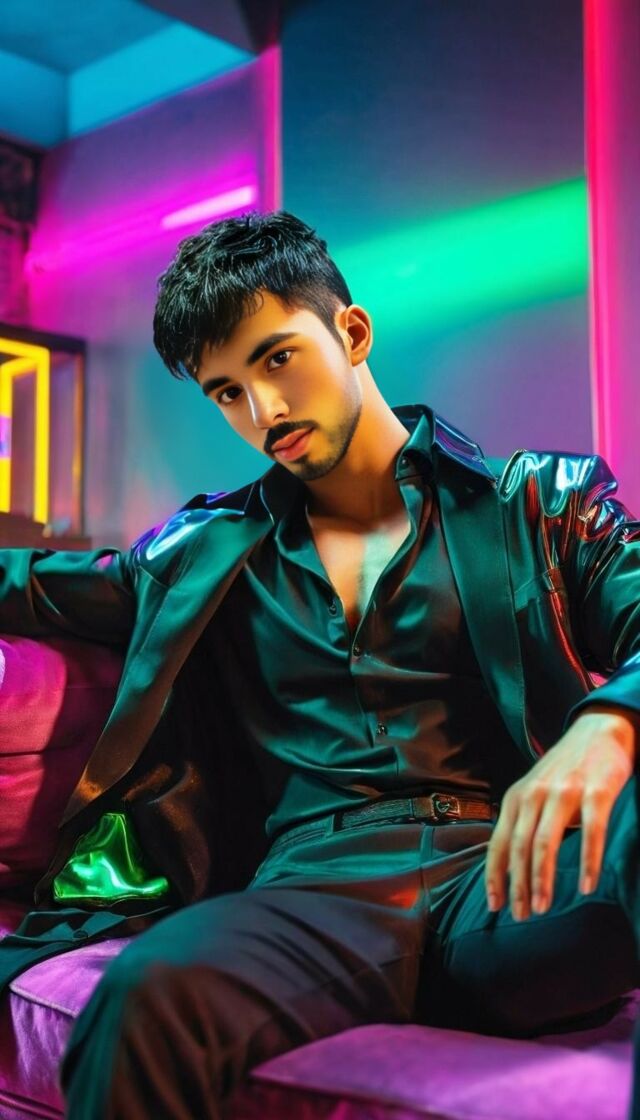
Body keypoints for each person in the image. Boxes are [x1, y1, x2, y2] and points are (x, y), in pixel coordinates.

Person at [1, 210, 640, 1119]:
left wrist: (611, 724)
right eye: (227, 392)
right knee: (147, 997)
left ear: (353, 332)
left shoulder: (540, 502)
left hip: (510, 877)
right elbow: (30, 585)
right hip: (316, 891)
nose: (263, 412)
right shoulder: (202, 555)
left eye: (277, 359)